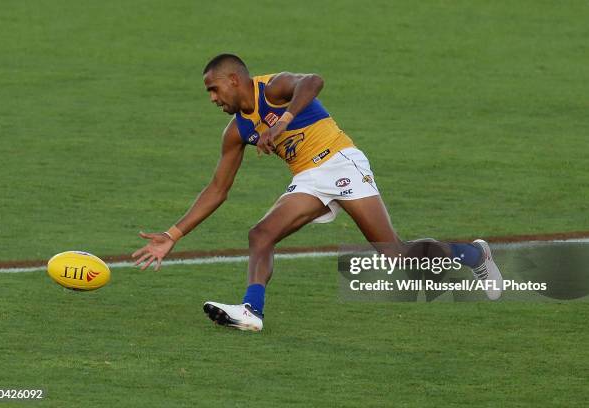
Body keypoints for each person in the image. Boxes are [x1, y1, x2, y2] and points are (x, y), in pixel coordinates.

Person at [132, 54, 503, 332]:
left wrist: (284, 122)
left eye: (213, 89)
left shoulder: (272, 88)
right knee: (261, 234)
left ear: (233, 79)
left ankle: (475, 253)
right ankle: (251, 311)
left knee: (396, 255)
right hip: (309, 177)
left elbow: (313, 80)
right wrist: (171, 235)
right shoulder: (236, 131)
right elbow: (217, 189)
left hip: (340, 161)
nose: (212, 98)